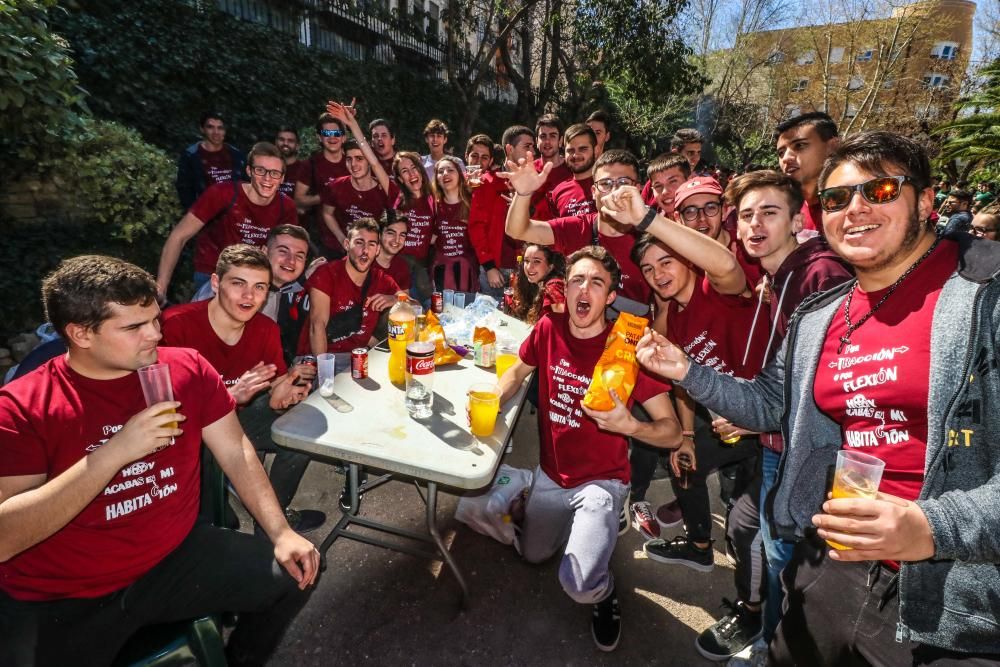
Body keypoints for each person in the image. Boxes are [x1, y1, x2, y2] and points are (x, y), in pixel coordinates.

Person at [635, 131, 1000, 665]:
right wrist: (687, 370)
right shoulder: (820, 315)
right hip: (834, 559)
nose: (854, 209)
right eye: (836, 199)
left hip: (952, 601)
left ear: (924, 202)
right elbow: (768, 405)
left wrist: (930, 527)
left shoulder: (985, 299)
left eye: (878, 191)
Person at [0, 255, 318, 666]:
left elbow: (236, 450)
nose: (154, 334)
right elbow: (7, 536)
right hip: (63, 592)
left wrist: (280, 531)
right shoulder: (23, 408)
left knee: (296, 572)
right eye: (133, 327)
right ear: (80, 333)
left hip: (173, 557)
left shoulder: (185, 368)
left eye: (154, 318)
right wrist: (115, 452)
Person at [497, 246, 682, 652]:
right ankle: (557, 512)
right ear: (566, 288)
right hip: (551, 473)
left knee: (577, 583)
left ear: (611, 297)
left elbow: (671, 432)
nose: (585, 288)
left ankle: (605, 592)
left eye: (597, 282)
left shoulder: (627, 349)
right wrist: (493, 399)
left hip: (602, 482)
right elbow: (517, 370)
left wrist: (630, 425)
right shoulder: (549, 327)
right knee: (532, 556)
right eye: (577, 279)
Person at [719, 170, 853, 663]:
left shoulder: (820, 276)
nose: (755, 225)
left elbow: (826, 381)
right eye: (747, 216)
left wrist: (757, 419)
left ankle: (771, 650)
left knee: (783, 554)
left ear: (799, 218)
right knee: (755, 536)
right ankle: (762, 629)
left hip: (802, 449)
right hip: (776, 441)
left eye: (769, 213)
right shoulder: (779, 275)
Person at [161, 244, 324, 534]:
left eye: (259, 287)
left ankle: (272, 523)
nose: (249, 296)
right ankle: (215, 520)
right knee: (215, 522)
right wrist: (230, 397)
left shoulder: (265, 329)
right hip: (189, 432)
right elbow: (164, 411)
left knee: (300, 435)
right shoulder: (175, 326)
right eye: (238, 284)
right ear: (215, 283)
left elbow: (273, 392)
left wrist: (284, 390)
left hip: (240, 418)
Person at [505, 148, 651, 309]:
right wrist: (523, 193)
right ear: (593, 192)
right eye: (605, 184)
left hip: (634, 329)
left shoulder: (651, 235)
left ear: (637, 188)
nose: (615, 192)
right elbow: (517, 230)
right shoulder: (579, 227)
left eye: (623, 183)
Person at [157, 141, 297, 299]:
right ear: (249, 171)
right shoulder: (222, 194)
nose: (267, 178)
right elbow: (179, 236)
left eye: (274, 173)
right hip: (213, 272)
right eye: (260, 170)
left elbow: (287, 252)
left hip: (255, 276)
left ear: (282, 178)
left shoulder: (286, 207)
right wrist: (161, 287)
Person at [192, 224, 322, 366]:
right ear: (265, 251)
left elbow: (286, 288)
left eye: (299, 256)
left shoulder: (278, 287)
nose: (291, 261)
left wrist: (307, 276)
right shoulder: (232, 281)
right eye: (283, 252)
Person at [303, 218, 402, 355]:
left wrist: (396, 300)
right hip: (323, 358)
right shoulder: (327, 273)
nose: (365, 250)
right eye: (359, 243)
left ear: (378, 250)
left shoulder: (381, 279)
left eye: (371, 244)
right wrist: (324, 370)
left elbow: (415, 306)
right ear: (347, 244)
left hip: (359, 357)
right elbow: (317, 325)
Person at [469, 126, 538, 300]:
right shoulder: (488, 182)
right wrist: (489, 266)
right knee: (490, 322)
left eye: (533, 147)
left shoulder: (537, 181)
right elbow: (477, 227)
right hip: (494, 270)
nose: (533, 151)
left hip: (527, 269)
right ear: (509, 149)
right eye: (527, 146)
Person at [774, 112, 840, 236]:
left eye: (799, 145)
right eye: (781, 153)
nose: (786, 158)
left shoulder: (855, 207)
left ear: (833, 146)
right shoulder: (784, 210)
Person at [293, 113, 351, 235]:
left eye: (336, 133)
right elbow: (298, 200)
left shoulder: (353, 163)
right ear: (319, 137)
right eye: (326, 134)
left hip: (352, 230)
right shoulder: (310, 164)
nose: (332, 138)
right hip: (321, 234)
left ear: (344, 137)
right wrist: (327, 195)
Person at [175, 111, 246, 211]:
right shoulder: (191, 156)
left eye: (220, 128)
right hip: (204, 215)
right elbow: (185, 190)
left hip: (233, 215)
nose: (216, 132)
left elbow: (246, 185)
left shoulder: (237, 155)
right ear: (202, 129)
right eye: (210, 127)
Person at [393, 150, 437, 302]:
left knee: (427, 305)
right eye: (405, 171)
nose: (411, 174)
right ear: (400, 178)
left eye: (414, 167)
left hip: (421, 266)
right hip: (401, 265)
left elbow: (435, 233)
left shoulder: (432, 199)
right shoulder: (400, 201)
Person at [431, 156, 478, 293]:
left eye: (450, 170)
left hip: (467, 270)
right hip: (442, 271)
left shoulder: (472, 203)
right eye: (440, 171)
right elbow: (431, 238)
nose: (445, 174)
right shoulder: (434, 206)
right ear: (437, 179)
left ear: (459, 175)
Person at [537, 124, 598, 220]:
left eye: (583, 149)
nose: (576, 155)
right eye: (570, 150)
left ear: (595, 150)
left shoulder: (607, 186)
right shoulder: (558, 192)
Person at [509, 242, 566, 323]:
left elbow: (562, 324)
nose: (529, 267)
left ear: (550, 267)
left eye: (536, 261)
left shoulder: (554, 286)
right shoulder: (531, 282)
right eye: (526, 261)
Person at [641, 153, 691, 217]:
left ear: (689, 181)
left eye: (673, 182)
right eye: (658, 186)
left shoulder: (703, 219)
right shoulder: (652, 223)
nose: (664, 192)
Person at [534, 114, 572, 195]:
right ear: (537, 141)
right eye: (543, 136)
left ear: (560, 141)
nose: (547, 141)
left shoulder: (572, 168)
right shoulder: (529, 170)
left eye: (552, 136)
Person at [374, 215, 411, 292]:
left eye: (402, 235)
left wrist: (395, 298)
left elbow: (406, 299)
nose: (397, 240)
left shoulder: (402, 265)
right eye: (391, 233)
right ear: (379, 235)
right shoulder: (363, 262)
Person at [275, 126, 304, 201]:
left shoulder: (305, 170)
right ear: (275, 143)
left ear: (297, 146)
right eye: (281, 139)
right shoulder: (266, 167)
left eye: (290, 141)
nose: (285, 143)